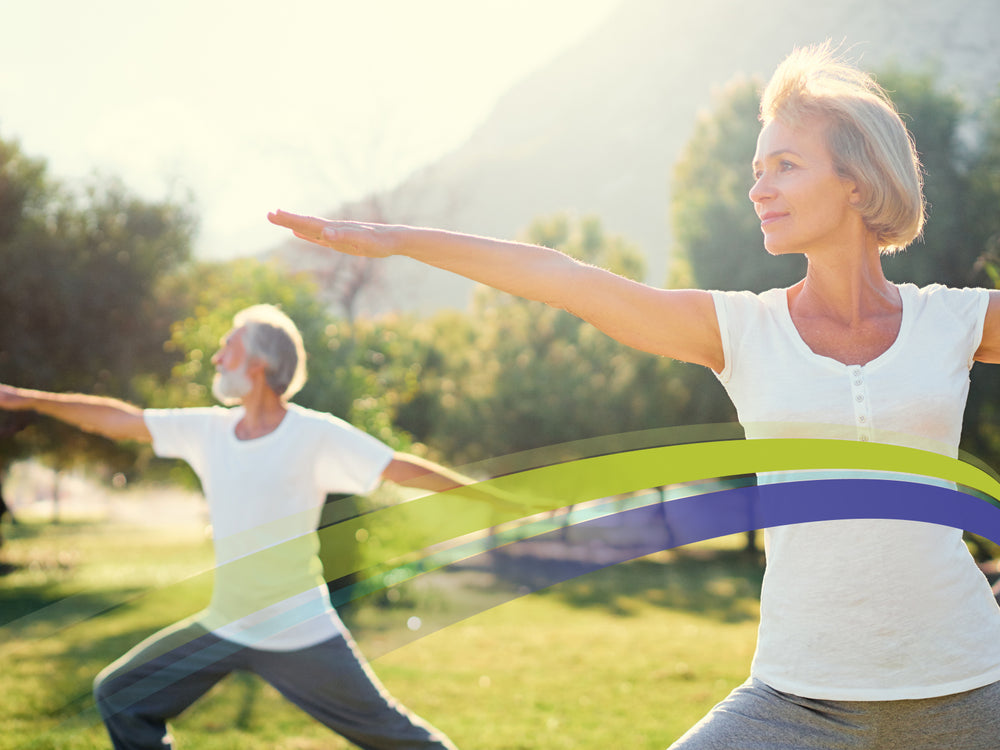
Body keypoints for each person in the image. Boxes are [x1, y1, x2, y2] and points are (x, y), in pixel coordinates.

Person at [269, 43, 1000, 750]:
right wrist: (396, 238)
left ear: (856, 180)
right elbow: (566, 279)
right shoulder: (743, 331)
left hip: (971, 684)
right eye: (755, 169)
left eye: (784, 165)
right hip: (799, 697)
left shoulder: (952, 321)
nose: (756, 189)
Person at [0, 303, 463, 750]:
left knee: (401, 740)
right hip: (225, 626)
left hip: (299, 633)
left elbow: (397, 466)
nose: (217, 358)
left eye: (228, 347)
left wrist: (491, 497)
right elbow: (122, 421)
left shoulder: (314, 433)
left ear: (259, 362)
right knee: (121, 694)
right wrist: (28, 400)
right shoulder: (210, 431)